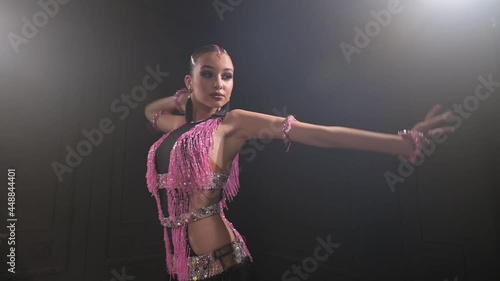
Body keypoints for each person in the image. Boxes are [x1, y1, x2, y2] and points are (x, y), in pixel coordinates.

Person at [144, 44, 455, 281]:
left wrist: (399, 144)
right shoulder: (179, 129)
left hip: (220, 262)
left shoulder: (232, 124)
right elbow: (150, 112)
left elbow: (321, 135)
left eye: (227, 76)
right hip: (179, 265)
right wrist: (182, 99)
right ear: (190, 79)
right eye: (207, 74)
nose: (219, 84)